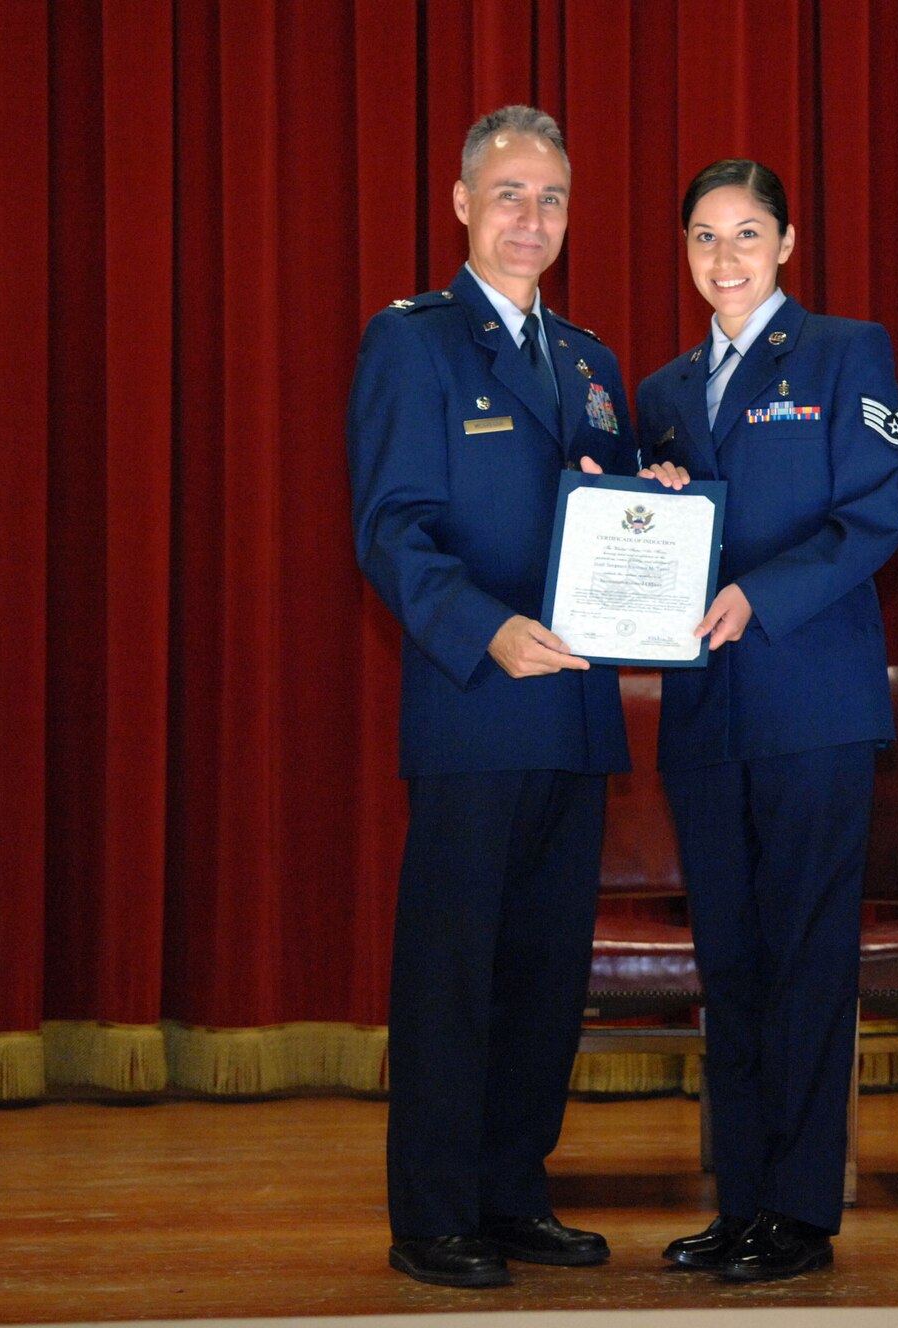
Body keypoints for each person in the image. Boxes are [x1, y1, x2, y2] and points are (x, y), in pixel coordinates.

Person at [346, 104, 683, 1288]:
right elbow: (392, 530)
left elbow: (607, 508)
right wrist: (486, 631)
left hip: (577, 712)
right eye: (506, 195)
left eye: (548, 199)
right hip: (475, 702)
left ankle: (510, 1190)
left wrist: (659, 494)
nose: (528, 219)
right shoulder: (412, 343)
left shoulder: (589, 360)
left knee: (544, 972)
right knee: (453, 968)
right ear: (459, 205)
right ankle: (433, 1211)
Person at [636, 159, 898, 1281]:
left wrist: (762, 593)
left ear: (788, 243)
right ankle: (740, 1198)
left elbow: (871, 517)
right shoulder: (660, 390)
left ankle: (798, 1212)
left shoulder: (848, 352)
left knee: (805, 958)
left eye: (746, 233)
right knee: (730, 963)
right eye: (704, 236)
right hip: (704, 711)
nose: (725, 257)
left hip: (812, 703)